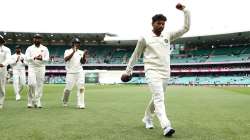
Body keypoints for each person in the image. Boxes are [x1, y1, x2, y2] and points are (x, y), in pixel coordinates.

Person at [122, 3, 190, 137]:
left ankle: (147, 117)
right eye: (159, 23)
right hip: (152, 71)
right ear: (152, 24)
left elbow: (186, 28)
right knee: (159, 98)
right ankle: (166, 125)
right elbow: (135, 55)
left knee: (157, 97)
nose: (161, 26)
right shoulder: (144, 38)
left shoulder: (168, 35)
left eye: (163, 24)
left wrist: (185, 11)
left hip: (165, 72)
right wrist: (128, 71)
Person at [25, 34, 49, 108]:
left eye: (39, 38)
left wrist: (42, 59)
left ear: (41, 40)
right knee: (31, 84)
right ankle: (30, 101)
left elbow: (47, 60)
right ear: (33, 39)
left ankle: (38, 101)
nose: (37, 40)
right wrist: (34, 57)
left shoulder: (45, 48)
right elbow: (26, 58)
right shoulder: (29, 48)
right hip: (32, 67)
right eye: (36, 38)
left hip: (41, 67)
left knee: (39, 85)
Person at [62, 38, 88, 109]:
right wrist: (73, 52)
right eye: (75, 43)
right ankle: (65, 101)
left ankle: (81, 104)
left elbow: (82, 62)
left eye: (78, 43)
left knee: (81, 88)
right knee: (68, 89)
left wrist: (84, 55)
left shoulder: (81, 52)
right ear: (72, 44)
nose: (77, 44)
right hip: (70, 73)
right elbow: (66, 59)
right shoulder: (67, 51)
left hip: (79, 72)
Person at [0, 35, 11, 109]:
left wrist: (3, 64)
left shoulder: (6, 49)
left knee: (1, 86)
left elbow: (8, 59)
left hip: (2, 69)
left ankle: (0, 102)